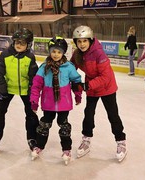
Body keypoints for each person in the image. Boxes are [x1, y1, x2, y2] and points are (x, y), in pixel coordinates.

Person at [70, 26, 127, 162]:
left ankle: (121, 141)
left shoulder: (99, 53)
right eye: (79, 41)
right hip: (92, 88)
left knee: (113, 115)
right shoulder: (77, 54)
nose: (82, 44)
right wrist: (69, 81)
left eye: (84, 41)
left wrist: (87, 85)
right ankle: (86, 139)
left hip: (107, 88)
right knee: (88, 113)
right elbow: (70, 68)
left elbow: (105, 76)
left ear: (90, 40)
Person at [30, 36, 82, 165]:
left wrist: (78, 94)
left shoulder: (69, 67)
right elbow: (36, 85)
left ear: (63, 52)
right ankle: (39, 146)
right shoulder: (43, 67)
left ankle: (66, 149)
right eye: (53, 51)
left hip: (64, 104)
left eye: (59, 52)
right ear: (49, 51)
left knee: (64, 126)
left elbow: (76, 81)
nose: (56, 54)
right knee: (44, 125)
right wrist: (34, 101)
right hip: (48, 104)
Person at [0, 28, 39, 153]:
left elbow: (34, 76)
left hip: (25, 90)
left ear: (28, 44)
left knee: (31, 114)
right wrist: (3, 90)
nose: (19, 45)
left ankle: (33, 138)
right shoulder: (5, 55)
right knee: (0, 112)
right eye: (17, 42)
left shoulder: (30, 57)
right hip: (8, 89)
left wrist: (32, 92)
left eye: (22, 43)